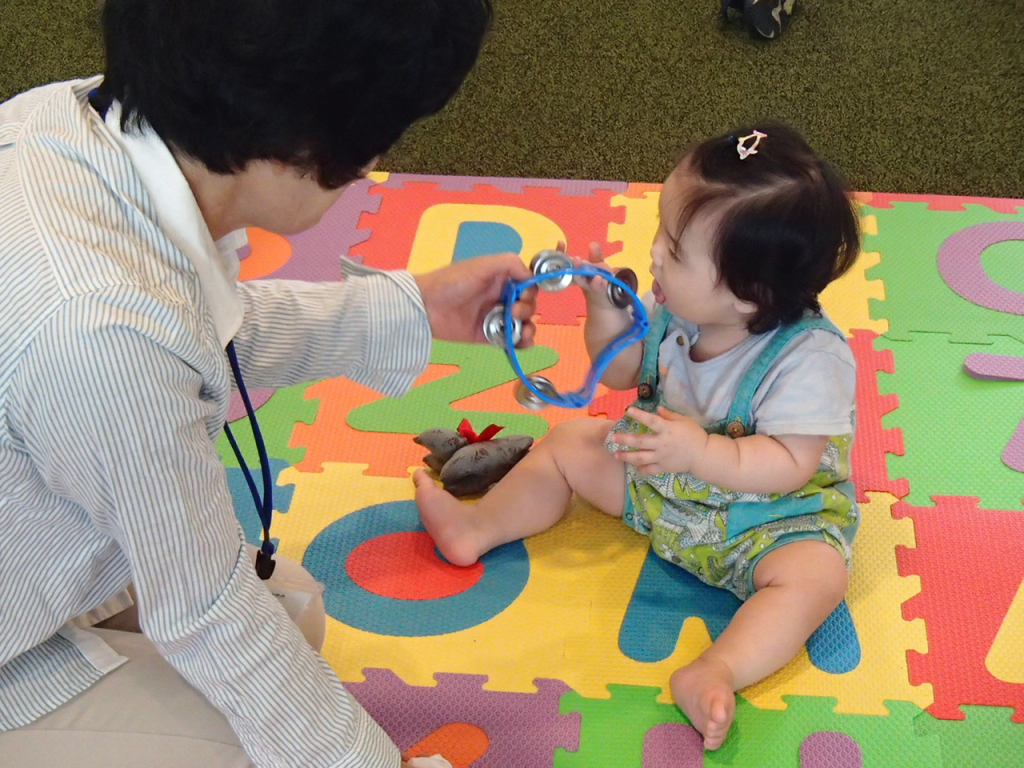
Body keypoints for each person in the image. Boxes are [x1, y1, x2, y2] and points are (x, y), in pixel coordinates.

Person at [0, 1, 539, 767]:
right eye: (369, 150)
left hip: (35, 547)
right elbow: (206, 607)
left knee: (295, 611)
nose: (369, 171)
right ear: (293, 147)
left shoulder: (66, 121)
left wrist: (415, 306)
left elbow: (191, 338)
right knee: (246, 739)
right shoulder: (102, 334)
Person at [415, 122, 861, 751]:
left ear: (748, 296)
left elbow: (791, 463)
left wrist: (701, 451)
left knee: (817, 578)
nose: (652, 255)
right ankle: (475, 528)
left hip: (766, 520)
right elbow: (622, 371)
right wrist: (604, 311)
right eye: (660, 231)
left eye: (674, 251)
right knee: (569, 442)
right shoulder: (681, 307)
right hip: (659, 484)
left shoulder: (810, 359)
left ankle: (718, 669)